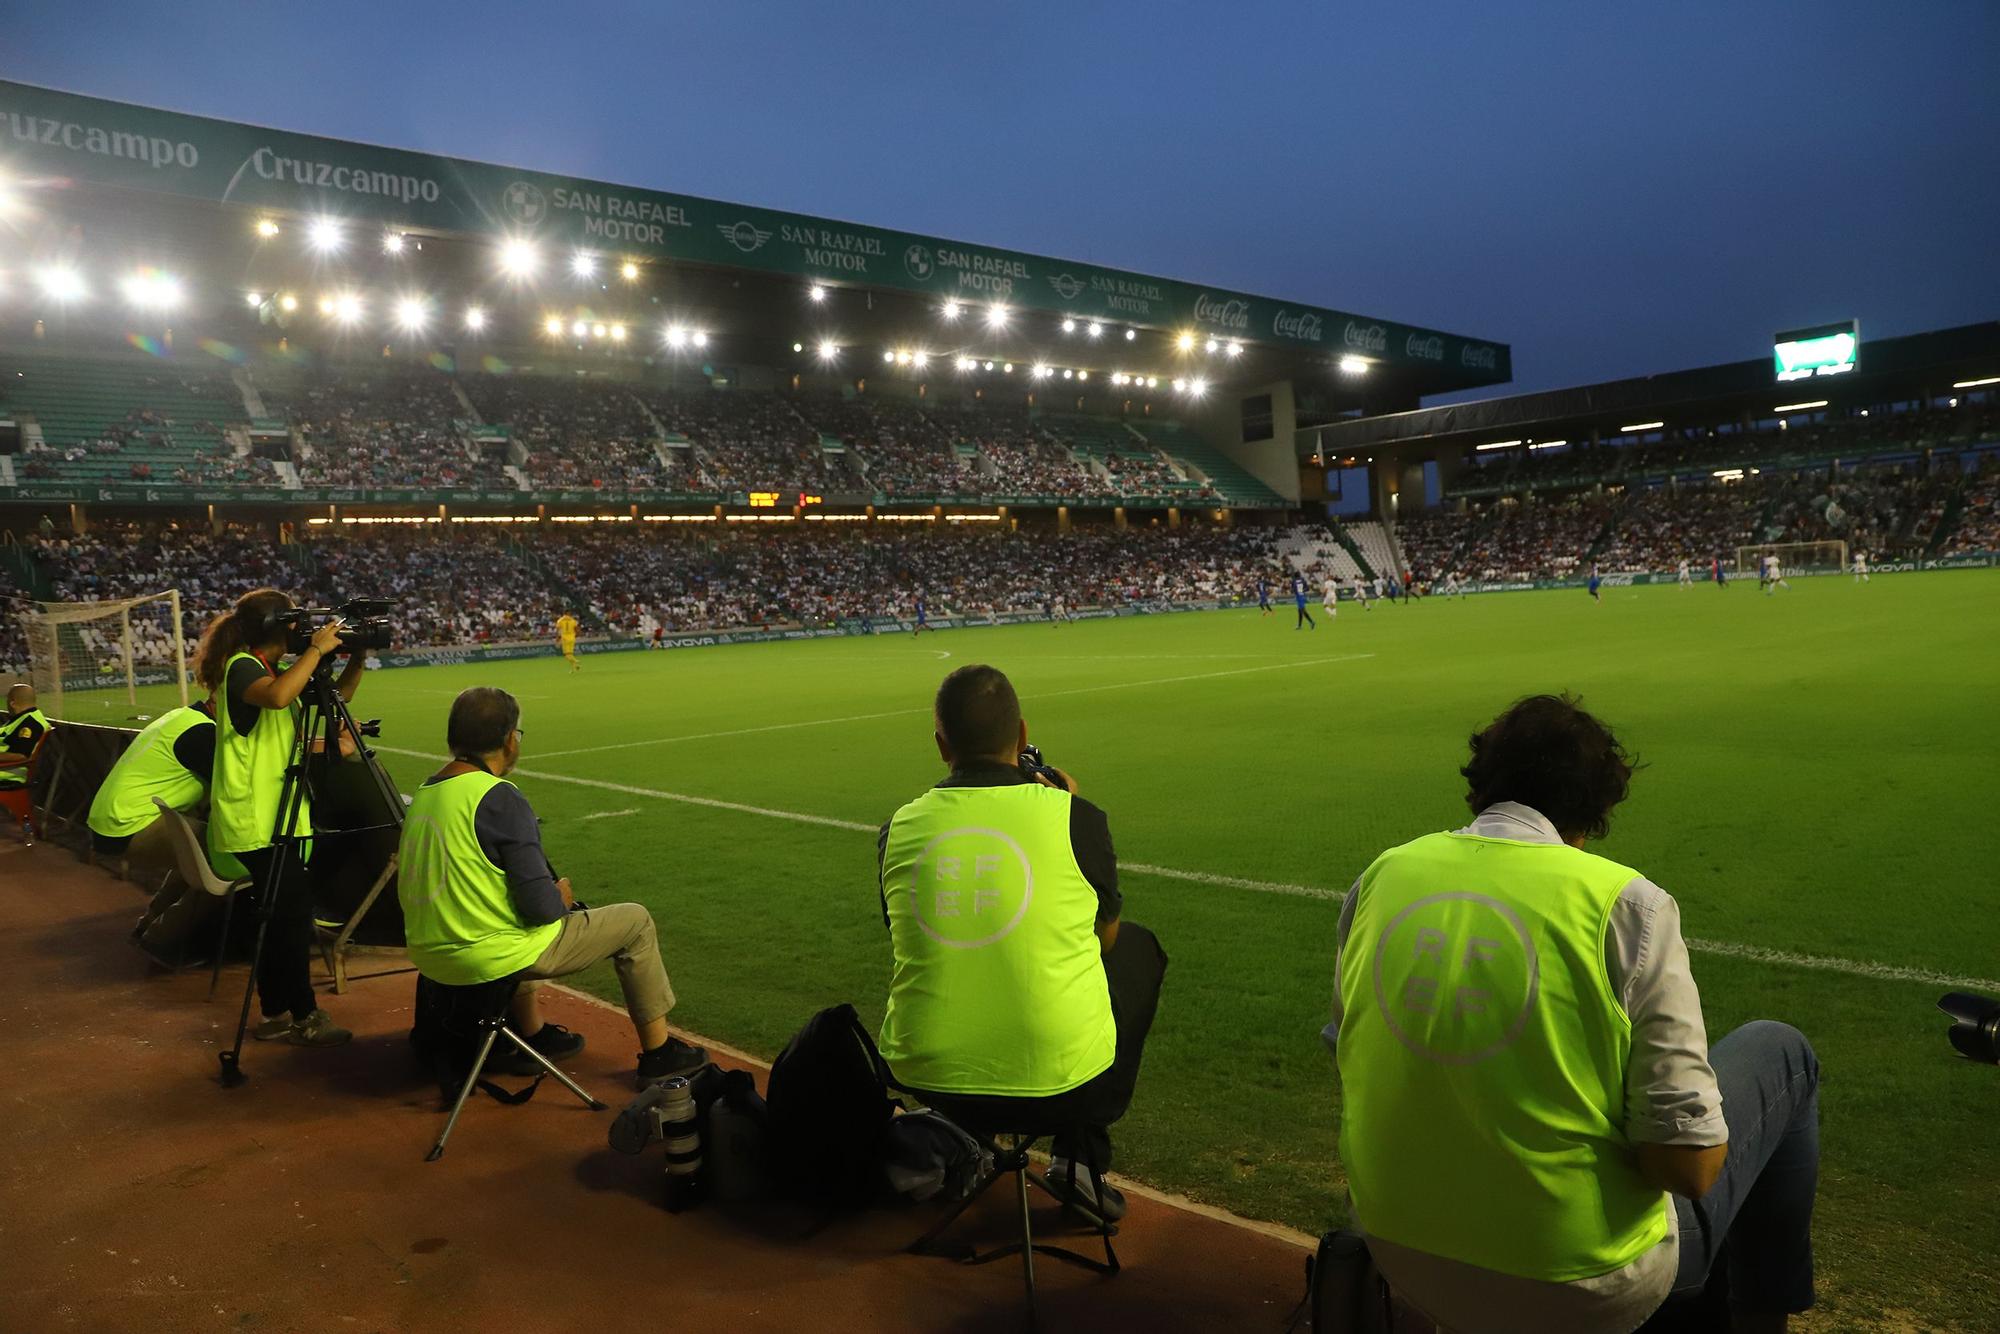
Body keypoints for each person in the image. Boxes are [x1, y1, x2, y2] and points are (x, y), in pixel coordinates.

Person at [1326, 694, 1820, 1334]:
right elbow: (1688, 1168)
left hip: (1400, 1251)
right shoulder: (1628, 905)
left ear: (1482, 788)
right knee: (1782, 1052)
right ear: (1596, 809)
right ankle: (1760, 1317)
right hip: (1582, 1283)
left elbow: (1355, 1055)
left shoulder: (1382, 875)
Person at [877, 665, 1167, 1219]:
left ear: (941, 746)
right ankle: (1078, 1162)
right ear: (1024, 735)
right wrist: (1067, 809)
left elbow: (909, 938)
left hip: (926, 1077)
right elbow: (1103, 939)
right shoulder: (1076, 818)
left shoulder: (899, 828)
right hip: (1064, 1088)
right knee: (1136, 948)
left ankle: (962, 1142)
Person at [397, 686, 707, 1086]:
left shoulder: (424, 793)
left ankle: (532, 1034)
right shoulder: (497, 797)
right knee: (635, 922)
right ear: (510, 739)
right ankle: (660, 1054)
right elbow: (541, 907)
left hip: (432, 958)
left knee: (513, 920)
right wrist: (559, 897)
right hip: (485, 958)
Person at [197, 588, 362, 1048]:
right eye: (294, 623)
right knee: (290, 918)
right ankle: (304, 1014)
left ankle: (275, 1013)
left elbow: (333, 699)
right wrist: (315, 650)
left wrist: (357, 657)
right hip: (256, 820)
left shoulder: (270, 671)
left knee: (281, 917)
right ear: (277, 625)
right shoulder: (244, 667)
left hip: (272, 820)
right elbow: (276, 698)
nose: (300, 630)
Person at [0, 683, 51, 840]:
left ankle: (29, 829)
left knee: (23, 813)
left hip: (9, 773)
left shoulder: (30, 724)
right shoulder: (21, 720)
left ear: (13, 703)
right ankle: (29, 829)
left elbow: (22, 755)